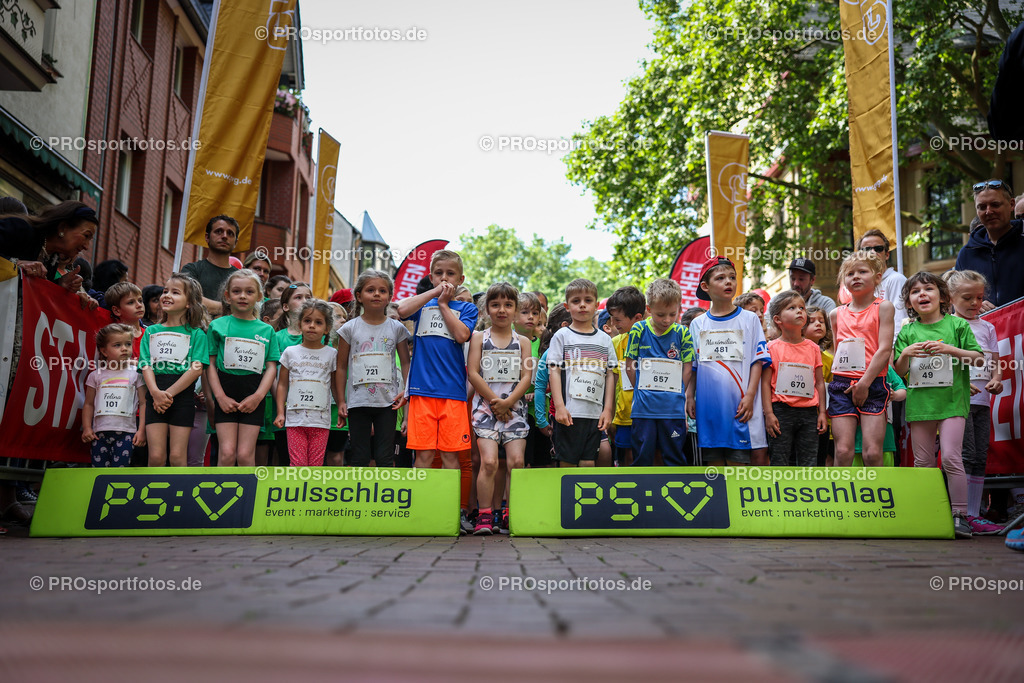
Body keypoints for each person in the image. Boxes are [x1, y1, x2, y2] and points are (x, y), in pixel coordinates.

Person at [894, 271, 984, 538]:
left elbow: (978, 359)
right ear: (909, 302)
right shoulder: (908, 330)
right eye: (915, 291)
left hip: (952, 403)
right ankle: (926, 514)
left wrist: (951, 350)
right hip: (921, 405)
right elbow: (898, 371)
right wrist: (907, 354)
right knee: (922, 462)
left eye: (929, 289)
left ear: (943, 296)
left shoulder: (958, 326)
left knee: (951, 458)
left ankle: (960, 516)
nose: (922, 294)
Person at [397, 249, 478, 472]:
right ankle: (421, 506)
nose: (444, 278)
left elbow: (462, 335)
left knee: (450, 458)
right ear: (431, 277)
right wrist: (434, 294)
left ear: (460, 280)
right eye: (438, 273)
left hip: (452, 393)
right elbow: (402, 309)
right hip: (421, 392)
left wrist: (443, 305)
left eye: (450, 274)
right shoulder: (422, 306)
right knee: (423, 457)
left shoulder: (467, 308)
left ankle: (449, 507)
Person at [686, 257, 770, 466]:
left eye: (732, 277)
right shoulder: (697, 324)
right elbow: (694, 366)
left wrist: (750, 396)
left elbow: (758, 361)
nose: (728, 282)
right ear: (705, 286)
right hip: (709, 411)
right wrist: (689, 396)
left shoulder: (749, 319)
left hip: (740, 409)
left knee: (737, 471)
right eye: (721, 278)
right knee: (713, 473)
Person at [467, 283, 533, 534]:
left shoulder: (523, 341)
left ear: (516, 310)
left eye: (508, 305)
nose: (502, 310)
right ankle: (484, 515)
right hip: (486, 410)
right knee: (490, 463)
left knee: (516, 462)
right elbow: (473, 373)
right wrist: (496, 402)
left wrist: (508, 403)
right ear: (486, 309)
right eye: (495, 305)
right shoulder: (478, 339)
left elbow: (527, 377)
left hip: (514, 410)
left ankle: (507, 512)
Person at [945, 269, 1005, 534]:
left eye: (979, 298)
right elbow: (945, 362)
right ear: (950, 298)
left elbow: (994, 361)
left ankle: (974, 513)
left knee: (980, 455)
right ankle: (961, 513)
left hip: (983, 400)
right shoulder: (950, 325)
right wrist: (960, 382)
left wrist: (997, 378)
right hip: (960, 400)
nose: (975, 304)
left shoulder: (988, 326)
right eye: (967, 298)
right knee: (964, 454)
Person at [336, 270, 411, 467]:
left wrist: (407, 391)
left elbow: (405, 362)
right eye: (370, 290)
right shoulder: (349, 328)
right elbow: (341, 366)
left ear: (389, 297)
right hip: (357, 402)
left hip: (388, 402)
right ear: (359, 296)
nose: (377, 294)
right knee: (359, 456)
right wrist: (342, 400)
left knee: (385, 456)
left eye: (382, 290)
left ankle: (384, 497)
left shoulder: (397, 329)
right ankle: (359, 496)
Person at [206, 269, 279, 467]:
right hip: (225, 393)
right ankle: (220, 496)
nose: (243, 296)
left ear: (259, 296)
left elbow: (271, 367)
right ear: (227, 296)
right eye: (237, 291)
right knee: (227, 454)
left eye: (249, 292)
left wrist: (257, 397)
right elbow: (210, 364)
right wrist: (219, 397)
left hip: (253, 395)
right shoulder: (217, 326)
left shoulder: (266, 330)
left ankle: (247, 497)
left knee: (246, 455)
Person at [828, 251, 894, 468]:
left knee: (873, 452)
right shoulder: (836, 314)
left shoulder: (883, 307)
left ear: (877, 277)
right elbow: (839, 351)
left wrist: (864, 383)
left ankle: (877, 500)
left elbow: (884, 349)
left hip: (873, 383)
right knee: (843, 451)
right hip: (842, 383)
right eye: (849, 273)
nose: (855, 277)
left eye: (862, 272)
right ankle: (839, 499)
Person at [139, 273, 208, 467]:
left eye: (175, 292)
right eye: (165, 291)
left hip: (181, 397)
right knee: (155, 457)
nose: (167, 295)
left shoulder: (196, 334)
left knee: (178, 457)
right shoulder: (151, 331)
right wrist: (155, 393)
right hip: (155, 396)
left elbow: (196, 368)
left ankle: (179, 496)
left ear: (189, 303)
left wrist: (167, 394)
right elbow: (145, 364)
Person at [623, 279, 694, 466]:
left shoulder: (683, 332)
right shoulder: (639, 328)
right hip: (643, 409)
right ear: (649, 308)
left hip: (672, 409)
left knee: (674, 457)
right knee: (642, 458)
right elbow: (630, 363)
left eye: (673, 314)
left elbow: (688, 366)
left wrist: (678, 390)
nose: (667, 320)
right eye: (661, 314)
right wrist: (638, 389)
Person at [547, 278, 616, 467]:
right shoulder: (562, 336)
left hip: (594, 414)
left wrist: (608, 409)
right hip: (569, 413)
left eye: (588, 300)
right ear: (567, 306)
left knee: (588, 464)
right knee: (567, 464)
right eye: (576, 301)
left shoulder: (605, 340)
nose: (582, 305)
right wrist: (559, 407)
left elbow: (610, 374)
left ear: (596, 304)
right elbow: (553, 371)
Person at [761, 291, 827, 467]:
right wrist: (769, 414)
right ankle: (779, 492)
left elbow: (819, 383)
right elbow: (765, 384)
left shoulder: (813, 348)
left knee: (809, 460)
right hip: (781, 411)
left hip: (809, 413)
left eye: (802, 308)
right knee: (779, 459)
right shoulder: (771, 348)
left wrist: (822, 412)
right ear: (778, 320)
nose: (799, 311)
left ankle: (807, 491)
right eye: (792, 308)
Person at [0, 199, 99, 307]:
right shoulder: (21, 229)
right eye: (86, 236)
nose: (86, 246)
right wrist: (16, 263)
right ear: (63, 228)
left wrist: (61, 286)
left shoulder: (52, 258)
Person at [275, 299, 337, 466]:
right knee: (297, 465)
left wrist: (341, 407)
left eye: (318, 322)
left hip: (321, 421)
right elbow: (282, 384)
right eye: (307, 321)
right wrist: (281, 412)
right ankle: (297, 492)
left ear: (327, 328)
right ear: (299, 324)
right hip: (295, 420)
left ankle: (311, 492)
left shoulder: (332, 354)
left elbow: (335, 386)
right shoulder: (290, 352)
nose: (312, 326)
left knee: (316, 466)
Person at [82, 323, 146, 467]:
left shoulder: (137, 374)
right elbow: (88, 403)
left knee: (120, 472)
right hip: (99, 433)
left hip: (127, 432)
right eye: (117, 345)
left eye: (128, 344)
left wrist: (141, 430)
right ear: (104, 351)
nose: (124, 348)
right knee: (98, 471)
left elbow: (143, 403)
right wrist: (87, 428)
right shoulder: (95, 375)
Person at [956, 180, 1024, 309]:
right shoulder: (966, 254)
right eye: (982, 207)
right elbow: (956, 302)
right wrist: (974, 306)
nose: (989, 211)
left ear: (1011, 204)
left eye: (995, 205)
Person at [606, 286, 646, 467]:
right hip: (624, 416)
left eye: (618, 319)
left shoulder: (653, 340)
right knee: (627, 458)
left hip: (650, 414)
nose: (614, 324)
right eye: (612, 319)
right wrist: (612, 414)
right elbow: (612, 382)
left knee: (652, 456)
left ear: (637, 318)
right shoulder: (614, 343)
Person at [180, 215, 240, 316]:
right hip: (196, 330)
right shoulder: (191, 269)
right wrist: (230, 309)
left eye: (230, 233)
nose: (225, 236)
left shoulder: (241, 277)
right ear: (207, 237)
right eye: (219, 231)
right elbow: (189, 300)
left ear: (235, 242)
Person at [804, 305, 834, 467]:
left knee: (820, 460)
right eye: (812, 321)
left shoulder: (829, 359)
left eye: (821, 321)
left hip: (821, 420)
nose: (818, 324)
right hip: (800, 416)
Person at [770, 258, 836, 316]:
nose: (796, 283)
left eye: (801, 279)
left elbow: (830, 329)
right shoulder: (776, 302)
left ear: (812, 280)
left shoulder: (826, 304)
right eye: (793, 278)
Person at [104, 282, 146, 358]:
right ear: (117, 310)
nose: (139, 305)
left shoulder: (149, 334)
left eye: (140, 300)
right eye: (131, 302)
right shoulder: (111, 336)